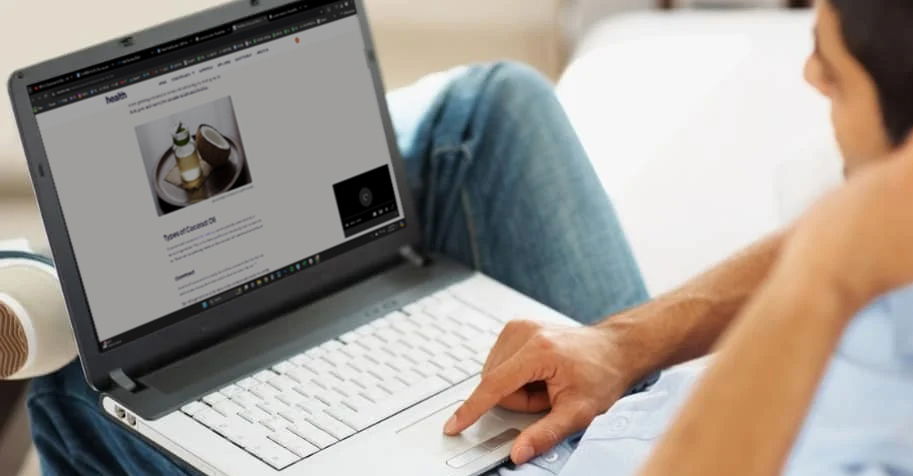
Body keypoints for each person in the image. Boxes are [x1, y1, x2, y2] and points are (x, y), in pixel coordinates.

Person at [21, 1, 913, 476]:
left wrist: (823, 274)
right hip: (614, 406)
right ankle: (274, 245)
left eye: (831, 77)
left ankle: (55, 274)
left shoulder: (844, 261)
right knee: (487, 107)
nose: (804, 75)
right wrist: (618, 341)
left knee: (80, 382)